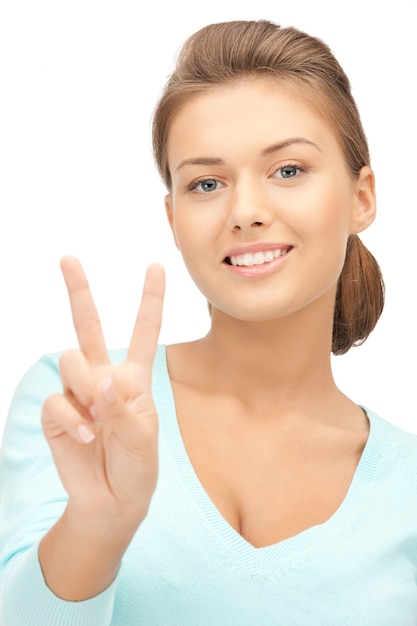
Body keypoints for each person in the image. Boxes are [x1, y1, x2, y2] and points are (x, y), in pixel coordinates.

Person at [0, 18, 416, 625]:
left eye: (289, 170)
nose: (245, 211)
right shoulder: (82, 407)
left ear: (362, 198)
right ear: (173, 218)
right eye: (206, 183)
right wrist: (97, 526)